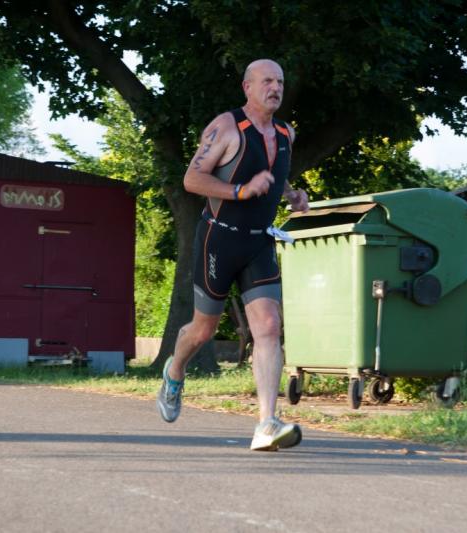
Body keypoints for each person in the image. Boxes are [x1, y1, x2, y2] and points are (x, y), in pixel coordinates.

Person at [156, 59, 309, 451]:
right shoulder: (225, 127)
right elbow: (193, 179)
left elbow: (274, 174)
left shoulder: (286, 132)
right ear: (247, 87)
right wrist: (241, 191)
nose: (275, 88)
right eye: (267, 81)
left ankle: (266, 424)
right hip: (219, 239)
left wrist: (291, 194)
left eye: (280, 81)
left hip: (259, 241)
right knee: (202, 330)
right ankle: (175, 371)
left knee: (269, 326)